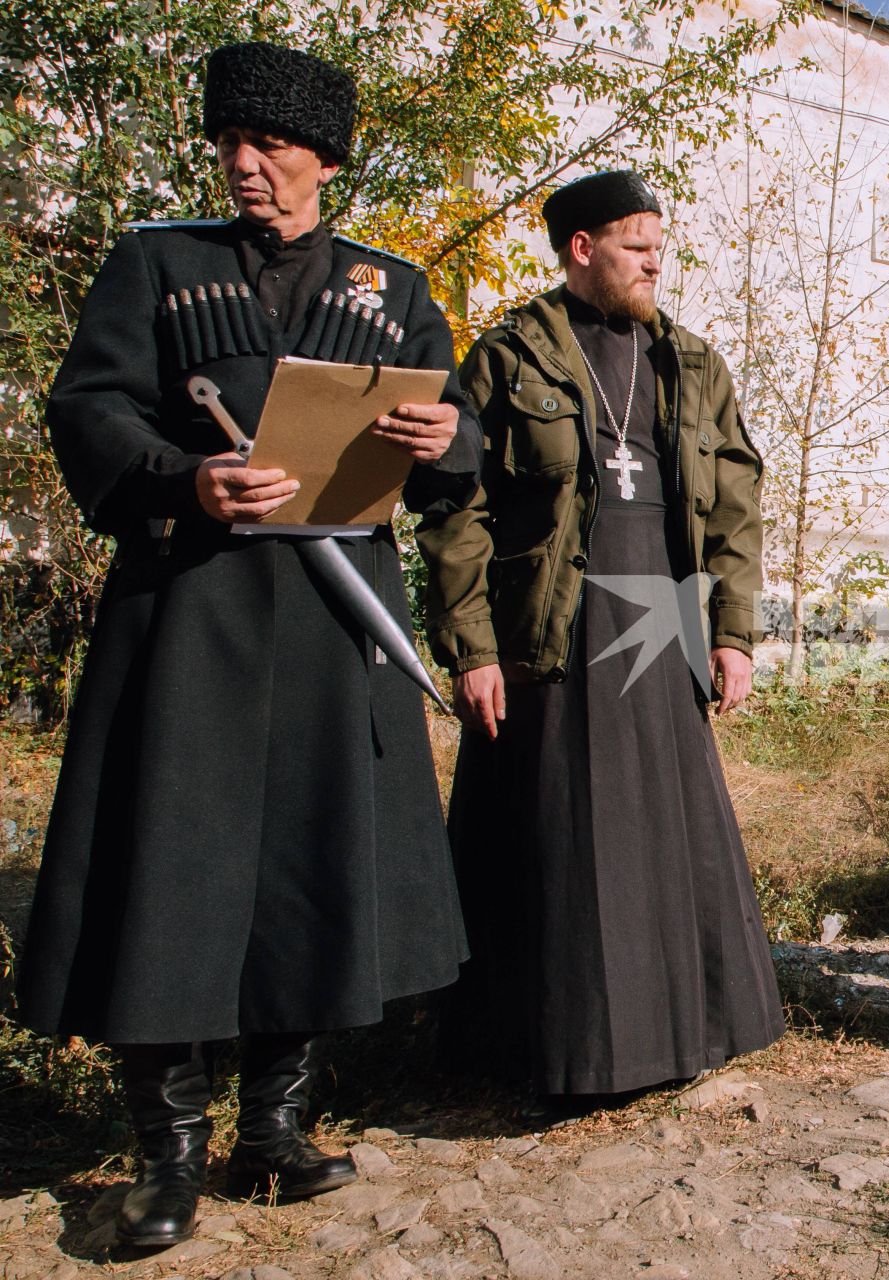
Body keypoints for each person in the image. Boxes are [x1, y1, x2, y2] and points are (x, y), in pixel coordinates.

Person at [17, 42, 478, 1247]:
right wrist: (184, 478)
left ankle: (271, 1130)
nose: (247, 165)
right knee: (172, 870)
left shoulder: (395, 284)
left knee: (312, 870)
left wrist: (444, 437)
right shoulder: (158, 263)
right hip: (190, 618)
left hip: (335, 625)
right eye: (232, 142)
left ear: (327, 158)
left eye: (272, 145)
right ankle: (165, 1159)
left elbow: (461, 451)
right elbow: (89, 408)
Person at [419, 170, 784, 1109]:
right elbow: (457, 511)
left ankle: (682, 1034)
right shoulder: (508, 357)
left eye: (660, 245)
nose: (656, 259)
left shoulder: (692, 364)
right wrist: (474, 648)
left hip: (661, 613)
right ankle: (548, 1054)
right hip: (550, 623)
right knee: (561, 830)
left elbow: (736, 510)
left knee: (662, 832)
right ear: (581, 249)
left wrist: (734, 632)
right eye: (635, 245)